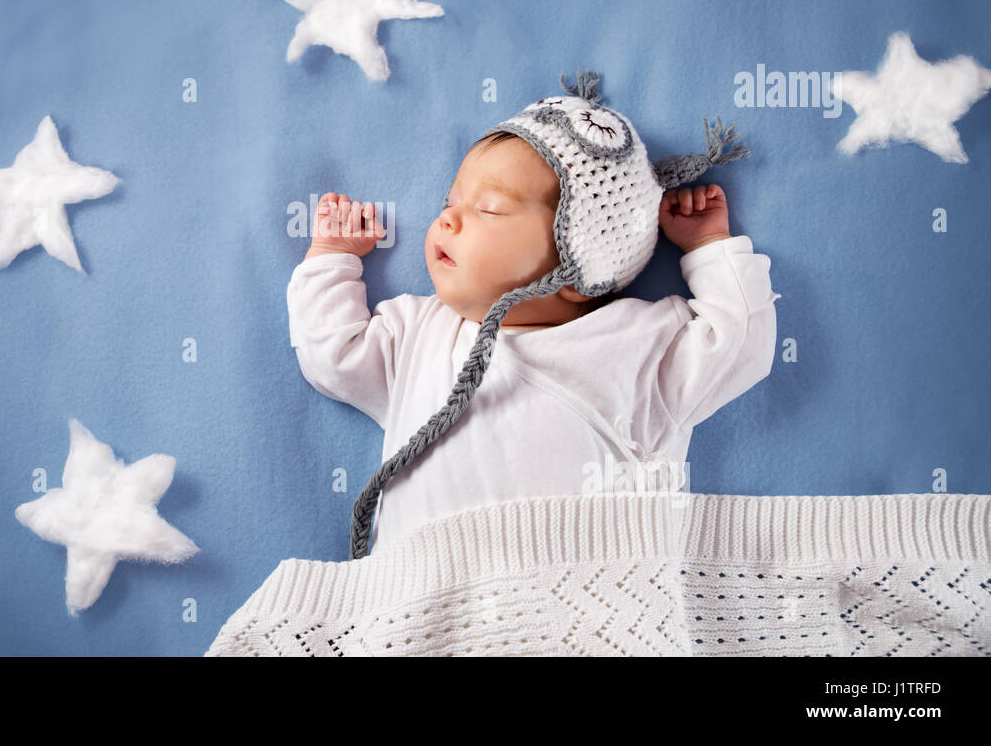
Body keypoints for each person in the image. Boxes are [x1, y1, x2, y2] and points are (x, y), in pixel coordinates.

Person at [289, 72, 781, 557]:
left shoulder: (636, 346)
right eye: (450, 201)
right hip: (429, 602)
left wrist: (709, 245)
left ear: (575, 267)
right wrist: (333, 255)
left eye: (490, 209)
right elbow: (333, 353)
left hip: (579, 612)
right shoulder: (418, 335)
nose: (447, 218)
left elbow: (741, 342)